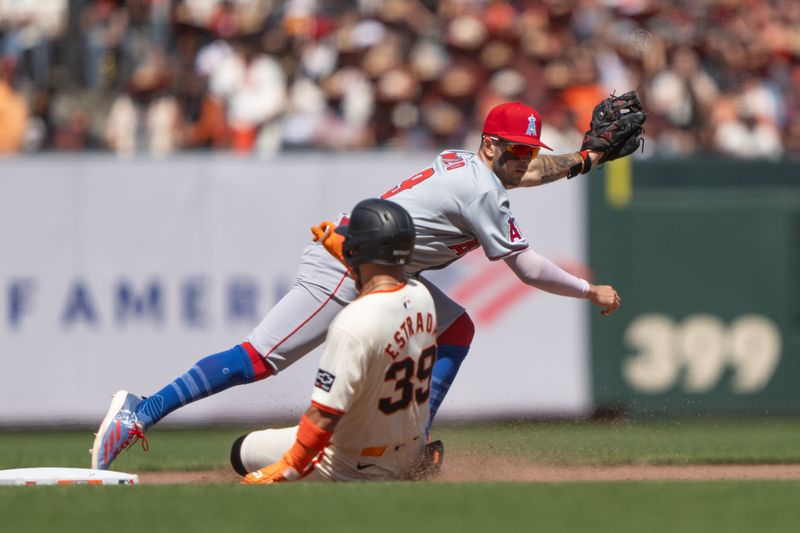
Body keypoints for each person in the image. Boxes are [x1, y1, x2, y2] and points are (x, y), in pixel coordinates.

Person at [92, 99, 633, 471]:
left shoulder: (474, 166)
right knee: (259, 359)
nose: (525, 160)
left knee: (457, 328)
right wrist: (590, 291)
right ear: (491, 146)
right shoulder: (481, 190)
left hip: (387, 272)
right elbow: (527, 267)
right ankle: (140, 411)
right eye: (515, 149)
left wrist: (588, 157)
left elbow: (531, 174)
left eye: (529, 150)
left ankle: (411, 444)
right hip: (345, 268)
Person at [231, 198, 438, 483]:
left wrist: (286, 468)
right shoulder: (422, 297)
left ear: (359, 252)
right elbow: (382, 272)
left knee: (241, 451)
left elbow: (324, 416)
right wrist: (341, 248)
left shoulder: (353, 322)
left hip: (355, 463)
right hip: (411, 451)